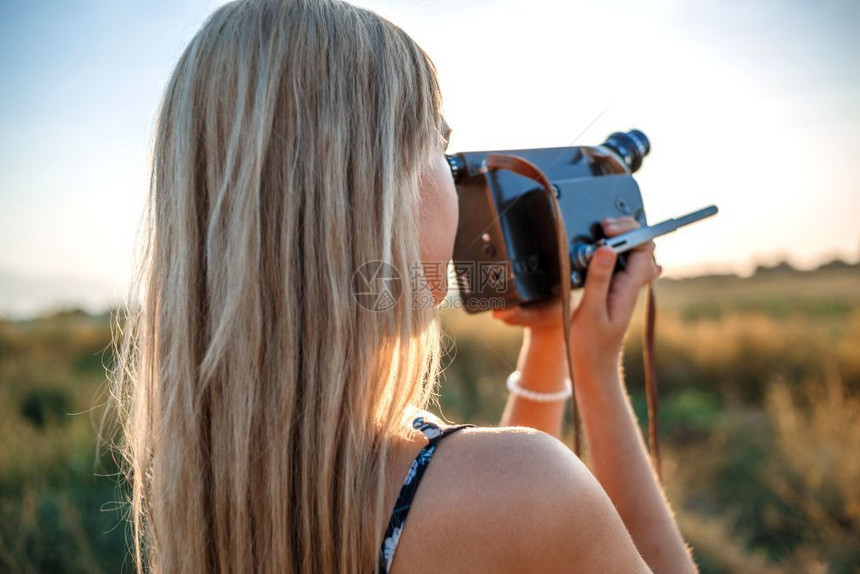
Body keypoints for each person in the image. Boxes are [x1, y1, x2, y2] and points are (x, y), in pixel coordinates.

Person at [110, 0, 697, 572]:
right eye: (439, 147)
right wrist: (593, 368)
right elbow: (513, 513)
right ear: (375, 192)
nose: (458, 176)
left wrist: (548, 344)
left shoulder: (212, 475)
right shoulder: (526, 487)